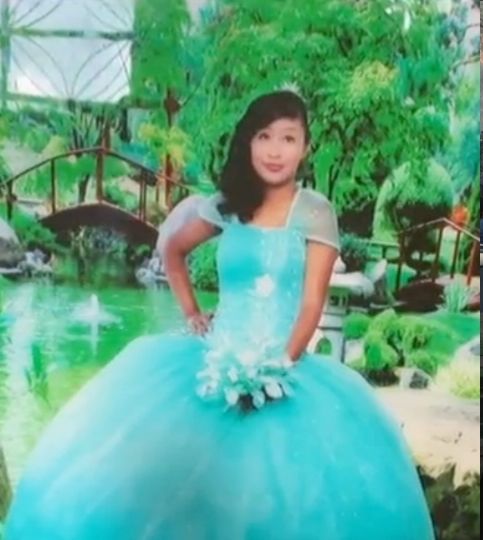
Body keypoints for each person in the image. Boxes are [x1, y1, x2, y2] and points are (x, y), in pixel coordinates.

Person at [4, 91, 433, 538]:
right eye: (264, 136)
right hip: (214, 360)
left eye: (288, 138)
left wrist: (277, 367)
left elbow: (311, 304)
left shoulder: (315, 211)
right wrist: (192, 313)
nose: (275, 149)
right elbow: (172, 249)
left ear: (305, 146)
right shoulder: (230, 206)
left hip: (287, 367)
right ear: (248, 142)